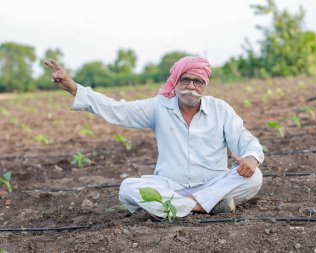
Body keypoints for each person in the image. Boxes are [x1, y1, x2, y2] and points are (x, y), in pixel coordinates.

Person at [45, 56, 264, 218]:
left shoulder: (220, 109)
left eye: (198, 82)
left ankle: (177, 207)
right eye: (185, 80)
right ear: (176, 82)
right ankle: (205, 205)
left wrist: (252, 158)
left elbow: (246, 140)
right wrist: (74, 88)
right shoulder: (159, 107)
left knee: (255, 177)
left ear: (205, 85)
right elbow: (118, 110)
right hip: (170, 185)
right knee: (128, 188)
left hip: (213, 182)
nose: (191, 87)